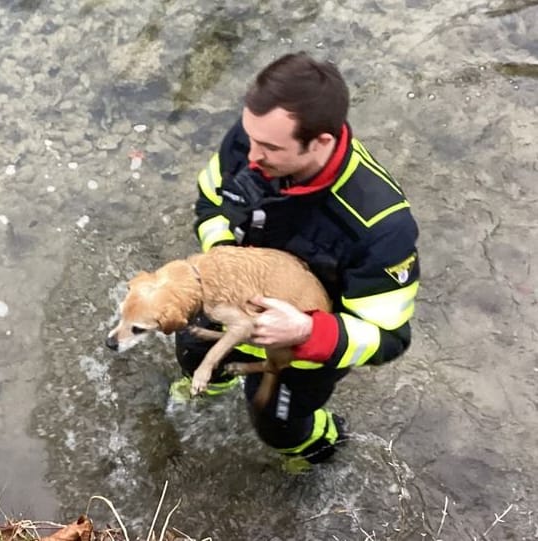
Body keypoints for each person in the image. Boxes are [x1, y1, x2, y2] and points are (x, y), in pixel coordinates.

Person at [171, 52, 420, 466]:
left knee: (276, 425)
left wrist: (307, 330)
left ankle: (318, 449)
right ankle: (207, 388)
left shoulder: (381, 226)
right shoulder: (249, 140)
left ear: (320, 141)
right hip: (228, 301)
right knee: (191, 349)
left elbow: (390, 339)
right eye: (249, 135)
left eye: (269, 146)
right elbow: (210, 201)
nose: (249, 155)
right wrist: (221, 258)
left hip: (306, 346)